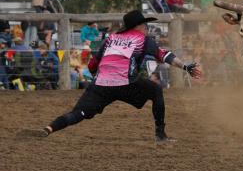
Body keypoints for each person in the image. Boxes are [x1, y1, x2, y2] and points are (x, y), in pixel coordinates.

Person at [31, 10, 202, 142]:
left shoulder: (110, 39)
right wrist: (186, 67)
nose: (146, 28)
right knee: (156, 90)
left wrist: (96, 81)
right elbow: (165, 55)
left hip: (101, 85)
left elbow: (92, 66)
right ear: (140, 26)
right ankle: (160, 134)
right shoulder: (143, 39)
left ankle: (48, 129)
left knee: (78, 113)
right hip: (126, 84)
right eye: (145, 25)